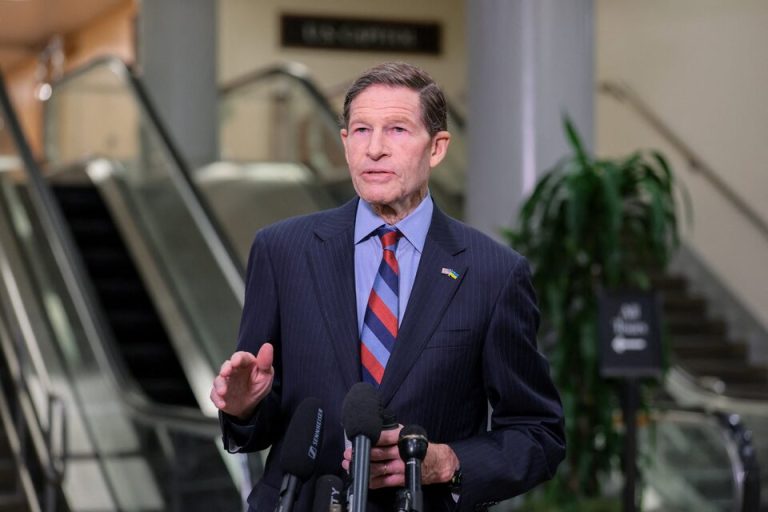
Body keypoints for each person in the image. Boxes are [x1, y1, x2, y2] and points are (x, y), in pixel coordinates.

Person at [210, 62, 565, 511]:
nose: (374, 149)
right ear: (344, 144)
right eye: (360, 130)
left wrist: (447, 461)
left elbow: (539, 433)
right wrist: (243, 408)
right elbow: (262, 417)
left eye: (397, 129)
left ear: (436, 148)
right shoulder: (283, 250)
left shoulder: (494, 272)